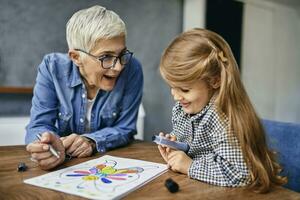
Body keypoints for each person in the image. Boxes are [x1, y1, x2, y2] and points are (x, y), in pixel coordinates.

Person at [157, 28, 286, 193]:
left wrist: (189, 166)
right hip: (203, 188)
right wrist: (175, 146)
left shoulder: (222, 118)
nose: (175, 96)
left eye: (184, 89)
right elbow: (196, 149)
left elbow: (241, 174)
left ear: (215, 81)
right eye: (172, 87)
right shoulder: (183, 109)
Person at [25, 5, 143, 170]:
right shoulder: (51, 67)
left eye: (122, 54)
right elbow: (39, 125)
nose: (118, 67)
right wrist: (44, 146)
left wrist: (92, 141)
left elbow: (126, 127)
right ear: (76, 57)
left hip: (108, 167)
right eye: (106, 57)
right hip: (65, 168)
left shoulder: (132, 68)